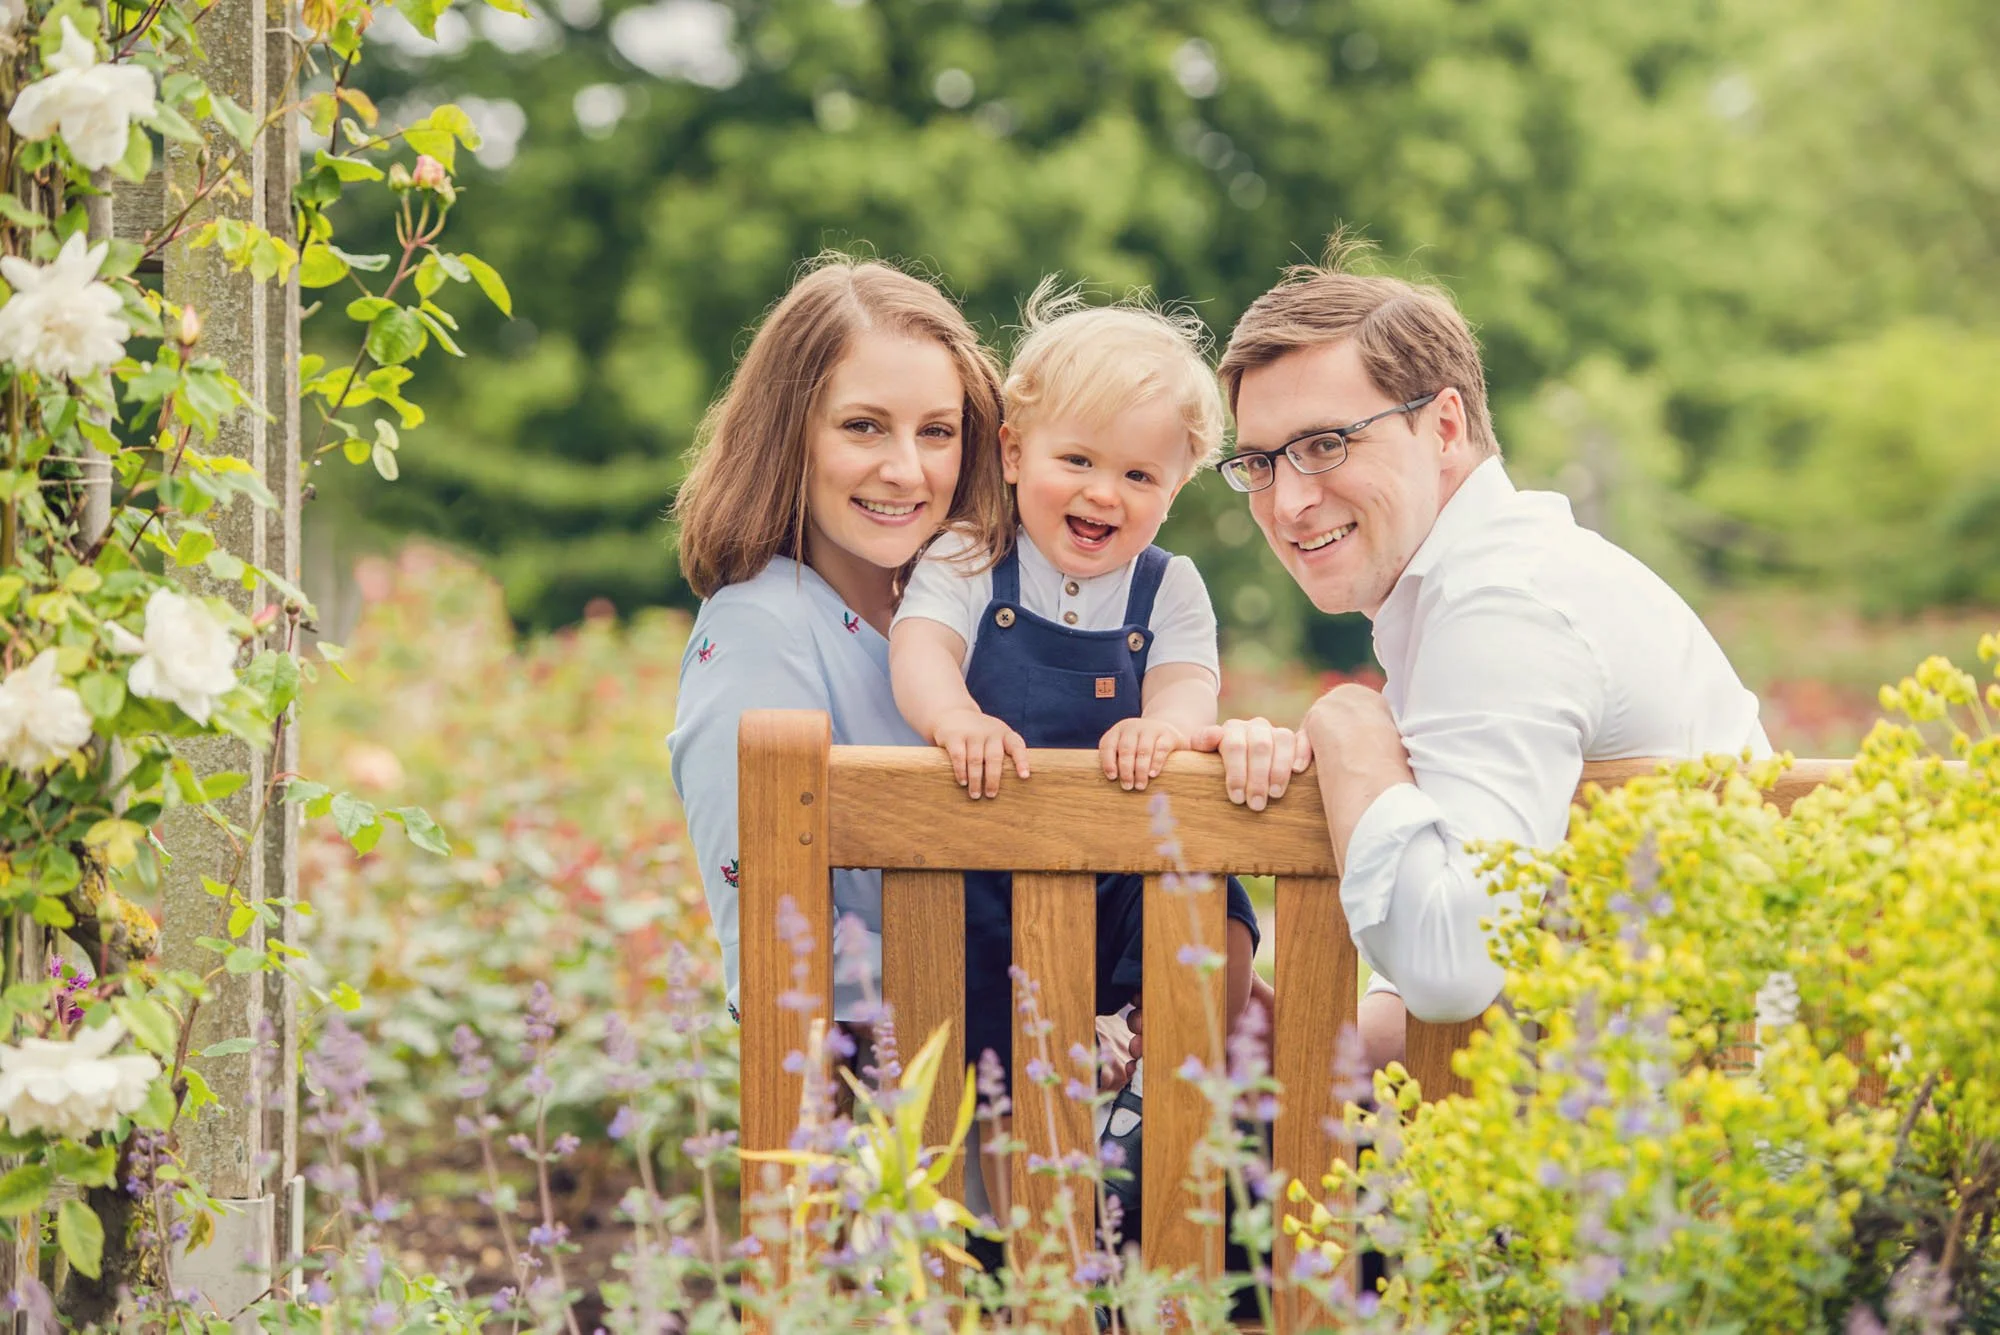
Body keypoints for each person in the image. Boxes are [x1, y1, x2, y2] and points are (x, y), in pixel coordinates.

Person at [1205, 242, 1769, 1065]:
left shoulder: (1501, 604)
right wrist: (1242, 1020)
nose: (1288, 500)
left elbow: (1449, 970)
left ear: (1442, 427)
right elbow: (1424, 1025)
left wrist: (1350, 723)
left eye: (1326, 443)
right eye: (1259, 462)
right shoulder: (1490, 586)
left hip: (1722, 1154)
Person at [888, 286, 1291, 1235]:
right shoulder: (967, 557)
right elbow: (921, 652)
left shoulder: (1170, 587)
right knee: (992, 1044)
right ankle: (1008, 1232)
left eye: (1141, 476)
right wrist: (955, 720)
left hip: (1117, 861)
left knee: (1214, 902)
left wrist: (1170, 724)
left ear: (1178, 485)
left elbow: (1191, 684)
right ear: (1016, 451)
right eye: (1078, 460)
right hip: (991, 868)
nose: (1105, 494)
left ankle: (1171, 1057)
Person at [667, 255, 1007, 1023]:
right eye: (864, 426)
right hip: (888, 1113)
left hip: (1047, 1086)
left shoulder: (972, 612)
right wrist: (1042, 997)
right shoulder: (760, 629)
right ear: (791, 436)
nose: (905, 468)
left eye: (938, 432)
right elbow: (782, 959)